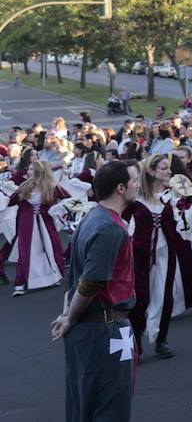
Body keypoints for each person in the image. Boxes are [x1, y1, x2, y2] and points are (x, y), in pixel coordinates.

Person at [51, 159, 140, 422]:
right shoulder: (110, 227)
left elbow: (74, 275)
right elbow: (90, 282)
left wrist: (68, 314)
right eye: (134, 181)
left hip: (94, 329)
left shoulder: (92, 217)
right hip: (105, 329)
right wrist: (69, 316)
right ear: (121, 188)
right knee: (110, 404)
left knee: (85, 401)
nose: (138, 185)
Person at [124, 154, 192, 358]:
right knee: (140, 296)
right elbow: (122, 220)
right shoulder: (137, 197)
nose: (168, 171)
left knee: (165, 295)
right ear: (151, 171)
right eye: (164, 168)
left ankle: (161, 339)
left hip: (167, 252)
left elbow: (189, 215)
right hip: (140, 255)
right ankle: (137, 340)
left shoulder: (172, 195)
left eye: (168, 168)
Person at [7, 159, 68, 295]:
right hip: (27, 226)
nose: (27, 172)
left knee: (49, 250)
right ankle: (21, 284)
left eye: (31, 170)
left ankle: (53, 277)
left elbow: (67, 200)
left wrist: (58, 210)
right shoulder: (24, 187)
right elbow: (10, 202)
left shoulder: (51, 187)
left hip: (46, 223)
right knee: (26, 253)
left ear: (39, 172)